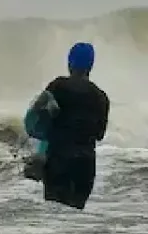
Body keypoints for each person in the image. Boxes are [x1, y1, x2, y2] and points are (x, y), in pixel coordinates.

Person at [32, 42, 109, 210]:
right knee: (74, 223)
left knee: (55, 218)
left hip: (59, 161)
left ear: (70, 62)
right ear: (91, 65)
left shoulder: (58, 86)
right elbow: (99, 134)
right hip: (85, 165)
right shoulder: (101, 97)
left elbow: (37, 113)